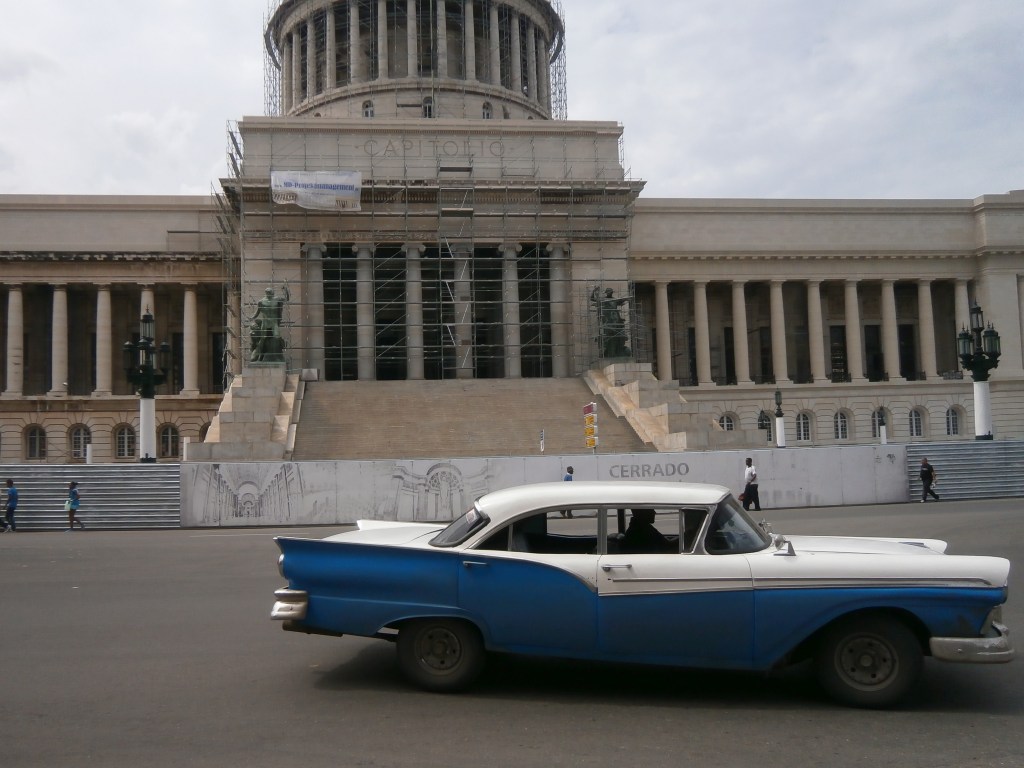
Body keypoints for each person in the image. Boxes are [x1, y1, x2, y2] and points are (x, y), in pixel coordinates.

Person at [249, 285, 289, 362]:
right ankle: (260, 357)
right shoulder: (261, 302)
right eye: (269, 293)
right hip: (265, 322)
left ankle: (281, 348)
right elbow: (257, 312)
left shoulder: (277, 300)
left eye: (271, 293)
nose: (271, 294)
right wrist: (251, 318)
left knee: (277, 336)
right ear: (266, 293)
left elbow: (287, 298)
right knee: (262, 339)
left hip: (274, 322)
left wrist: (286, 290)